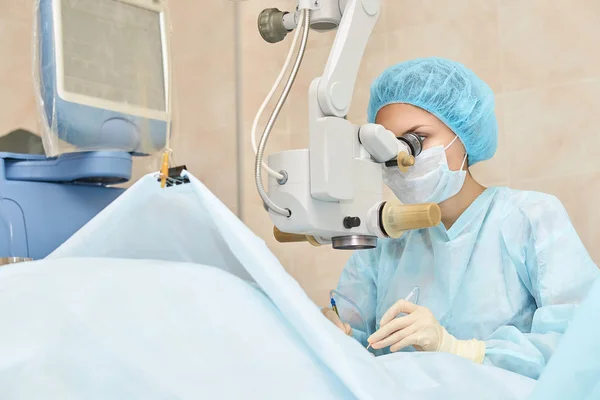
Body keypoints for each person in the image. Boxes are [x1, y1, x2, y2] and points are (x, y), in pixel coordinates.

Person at [321, 57, 600, 379]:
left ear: (463, 133)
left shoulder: (529, 217)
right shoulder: (385, 239)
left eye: (416, 139)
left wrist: (462, 350)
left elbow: (583, 340)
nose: (400, 158)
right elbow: (357, 346)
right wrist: (335, 334)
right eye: (386, 146)